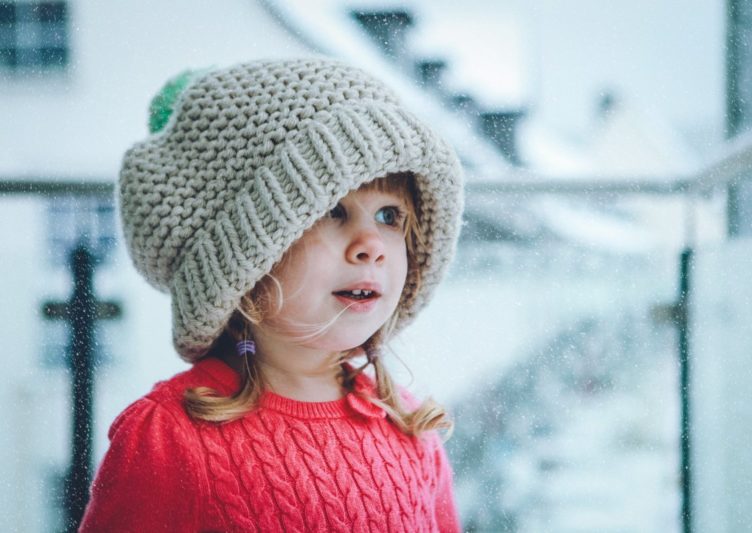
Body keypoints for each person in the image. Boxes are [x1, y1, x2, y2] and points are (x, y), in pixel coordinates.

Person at [79, 57, 464, 532]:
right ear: (244, 257)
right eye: (333, 211)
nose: (372, 247)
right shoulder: (169, 440)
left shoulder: (410, 427)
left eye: (389, 216)